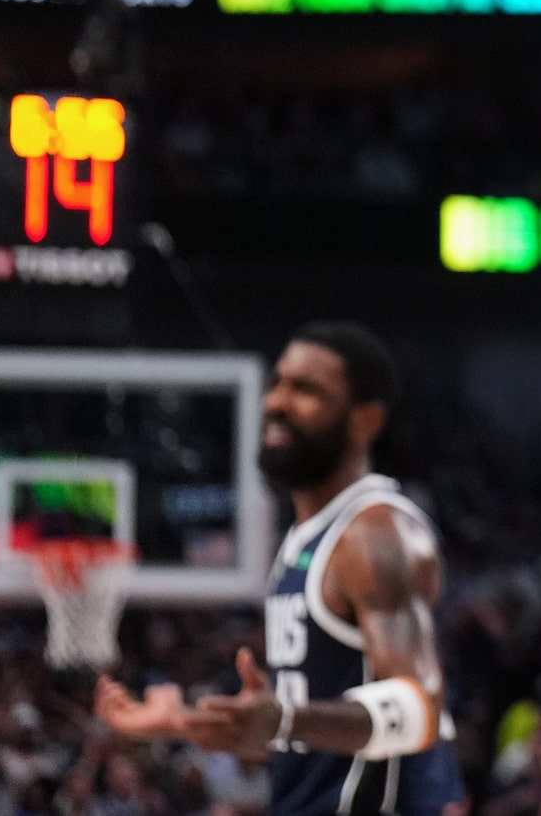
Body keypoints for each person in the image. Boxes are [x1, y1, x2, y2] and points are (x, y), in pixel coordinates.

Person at [96, 322, 464, 816]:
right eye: (278, 383)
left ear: (364, 421)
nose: (277, 402)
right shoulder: (301, 540)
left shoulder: (377, 534)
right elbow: (305, 733)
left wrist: (285, 720)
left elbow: (420, 709)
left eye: (307, 390)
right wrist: (185, 722)